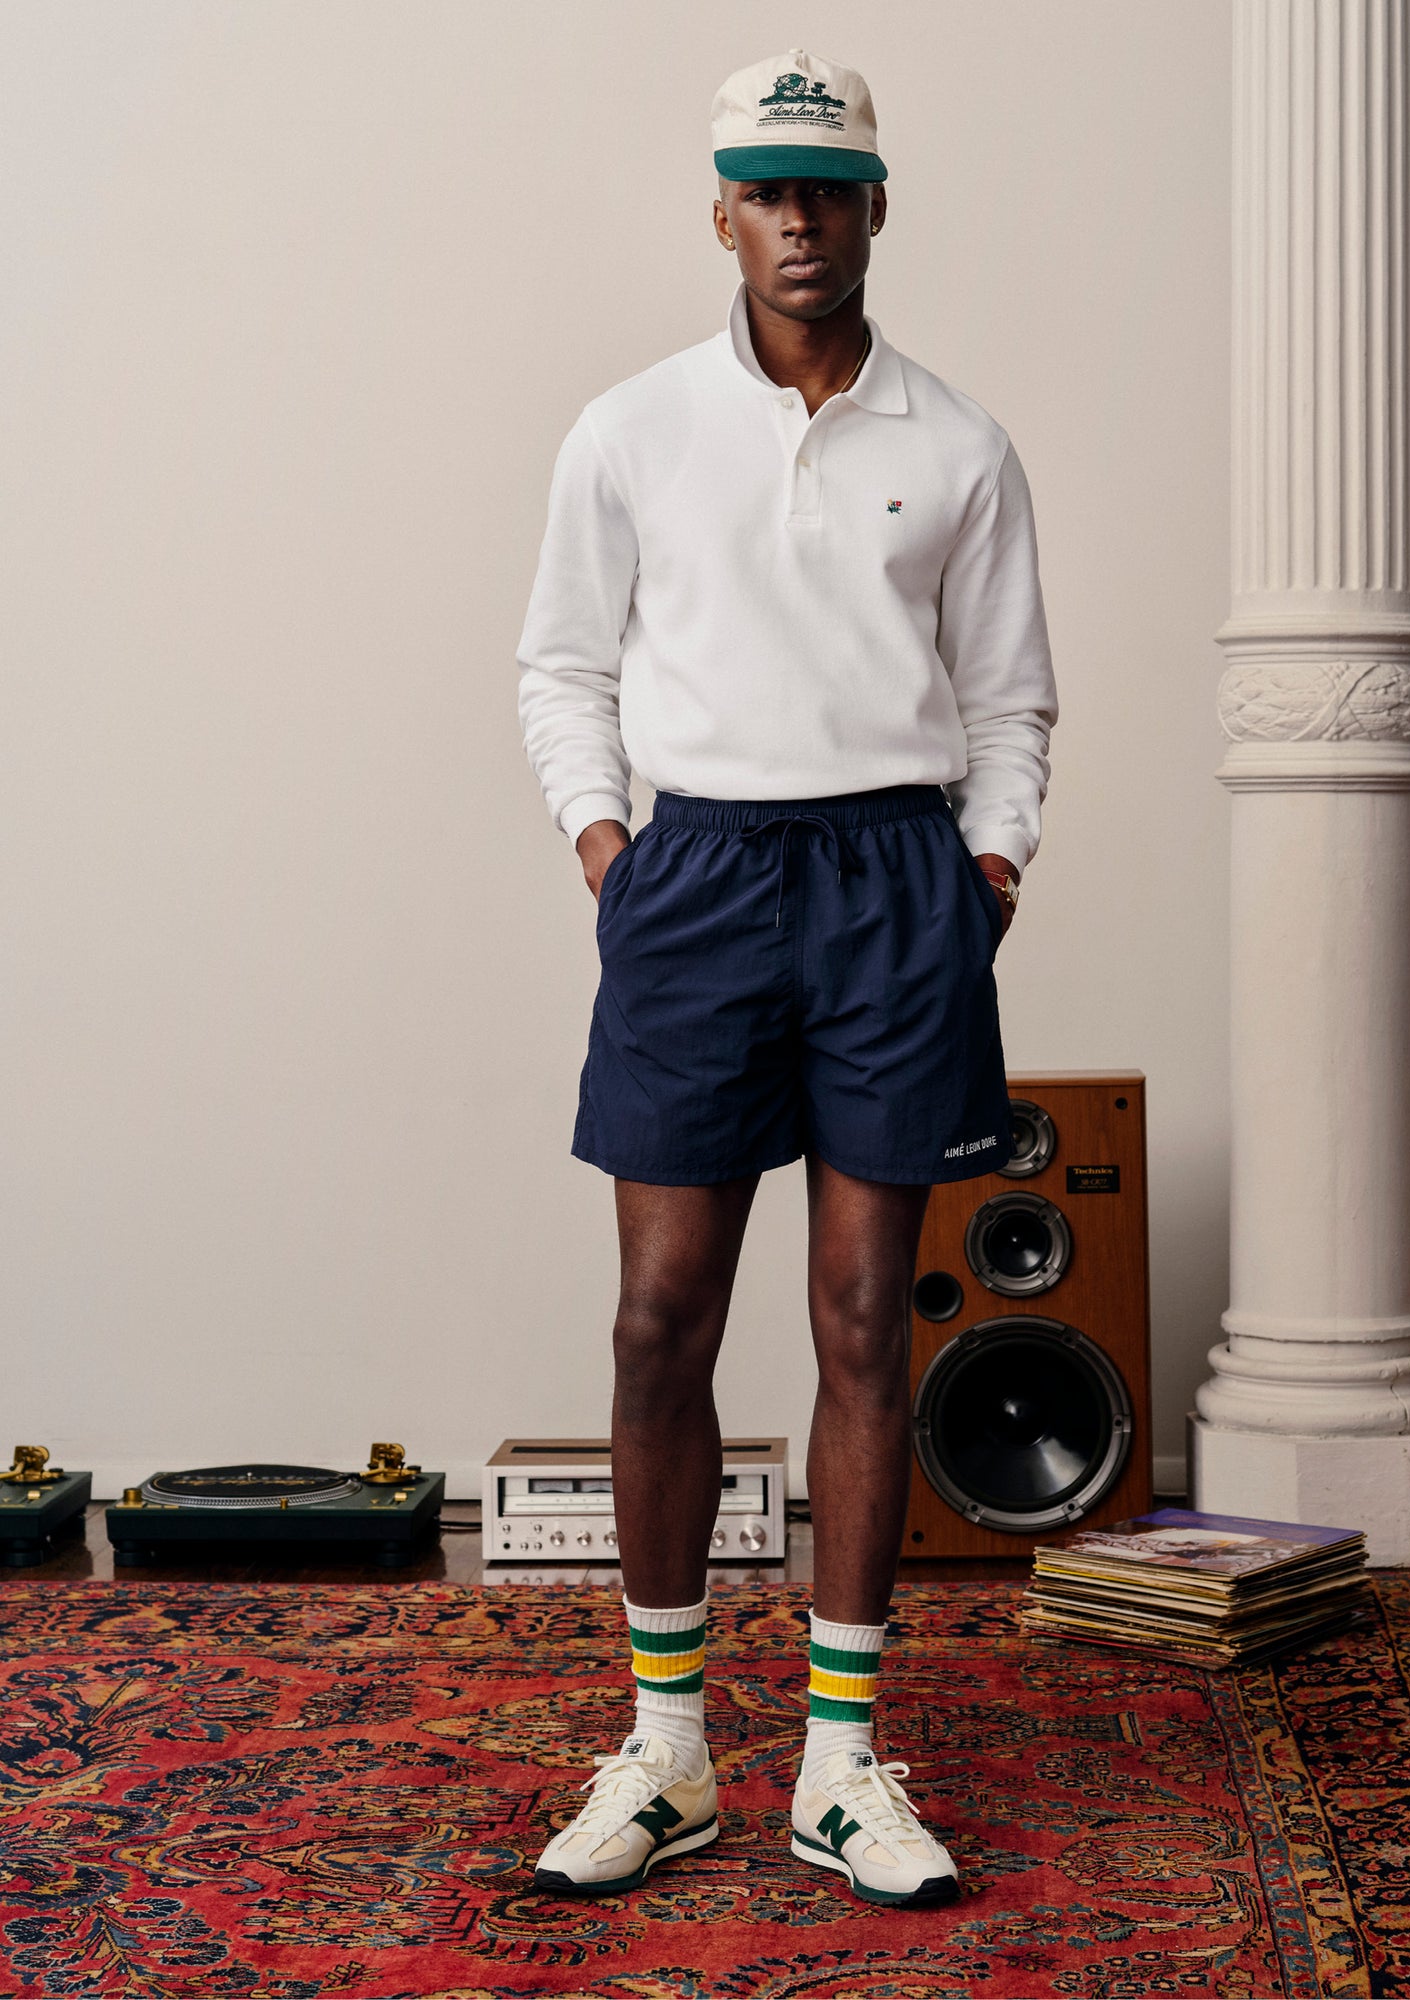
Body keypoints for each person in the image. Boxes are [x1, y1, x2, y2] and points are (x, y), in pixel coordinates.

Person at [514, 44, 1057, 1907]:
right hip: (702, 872)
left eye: (830, 188)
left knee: (857, 1323)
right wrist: (612, 852)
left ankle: (840, 1760)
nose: (801, 219)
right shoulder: (631, 429)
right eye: (767, 188)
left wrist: (982, 877)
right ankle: (666, 1750)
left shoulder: (961, 443)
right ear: (722, 211)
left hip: (898, 882)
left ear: (879, 203)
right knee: (662, 1315)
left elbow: (1011, 701)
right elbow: (560, 664)